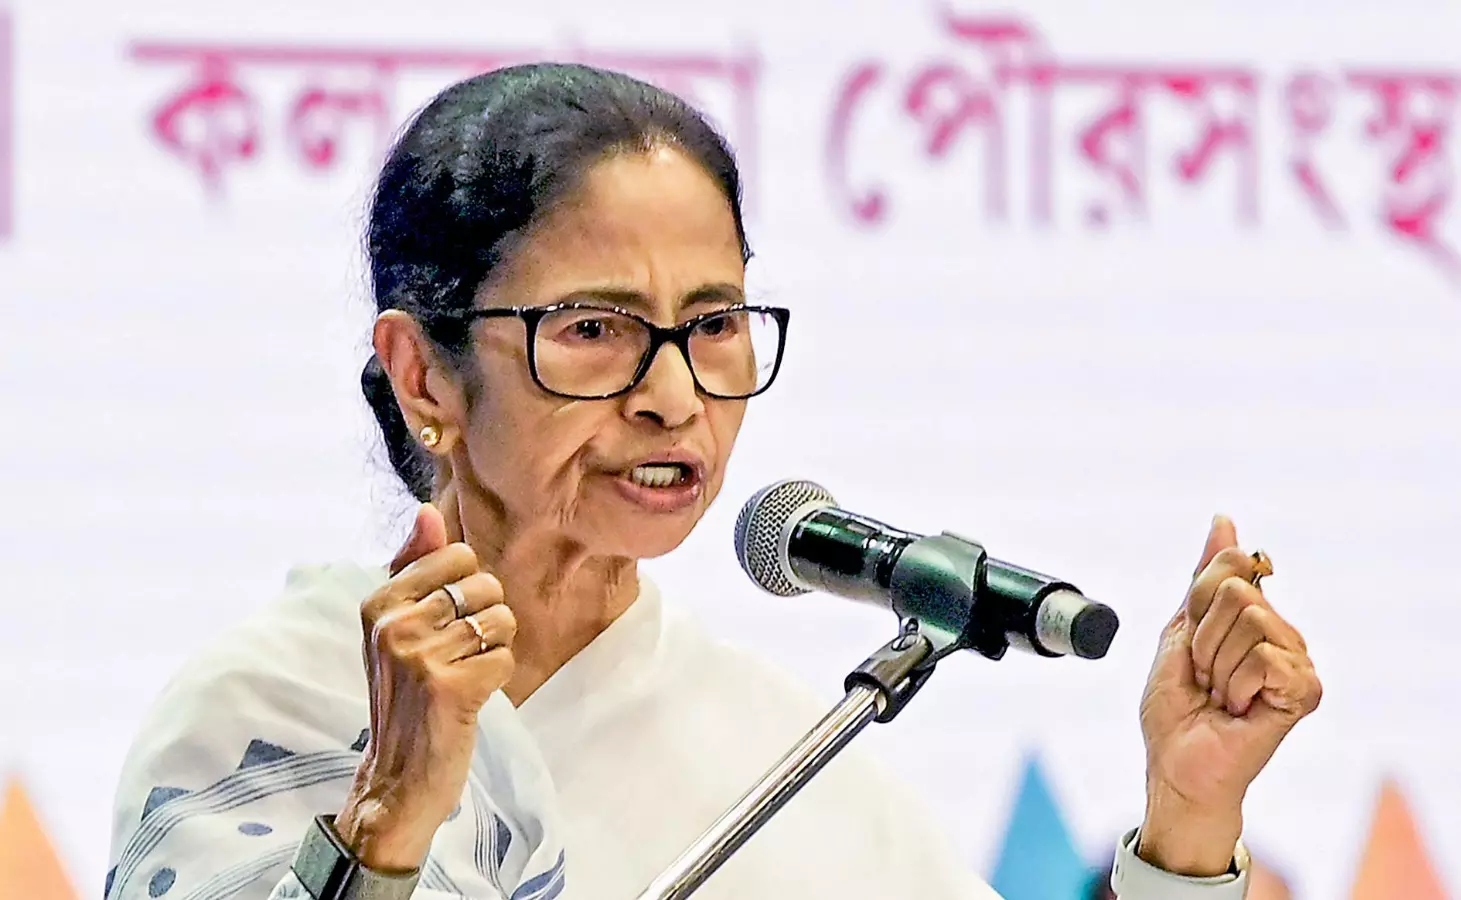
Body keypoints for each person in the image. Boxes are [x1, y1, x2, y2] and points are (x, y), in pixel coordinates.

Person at [104, 63, 1322, 900]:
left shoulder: (778, 753)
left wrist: (1187, 819)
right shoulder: (266, 711)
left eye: (715, 324)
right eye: (595, 329)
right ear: (425, 374)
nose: (675, 396)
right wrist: (386, 827)